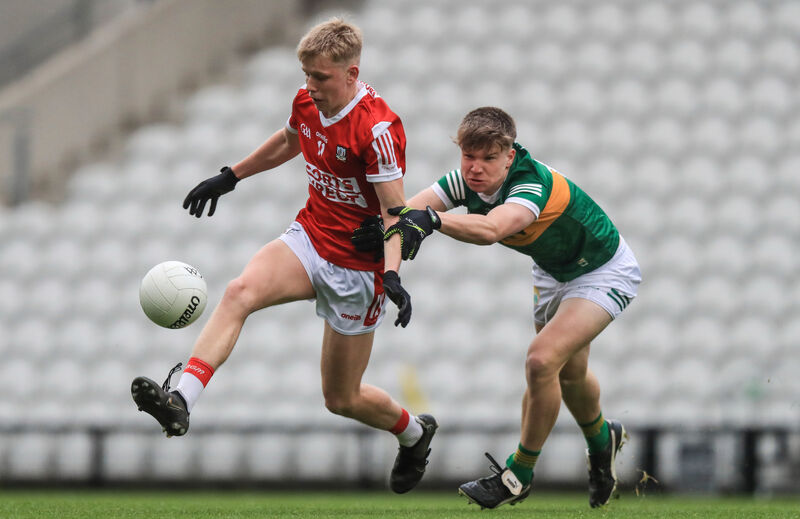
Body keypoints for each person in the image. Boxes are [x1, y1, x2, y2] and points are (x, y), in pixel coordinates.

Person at [131, 18, 437, 494]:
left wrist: (392, 274)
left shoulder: (376, 129)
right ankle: (181, 401)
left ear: (351, 73)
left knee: (341, 398)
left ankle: (415, 434)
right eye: (306, 75)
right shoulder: (305, 102)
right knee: (239, 292)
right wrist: (231, 175)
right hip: (310, 238)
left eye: (320, 77)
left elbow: (395, 212)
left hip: (357, 271)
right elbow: (290, 140)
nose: (309, 86)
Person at [353, 106, 641, 508]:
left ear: (509, 154)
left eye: (489, 158)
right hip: (552, 272)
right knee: (571, 375)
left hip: (603, 270)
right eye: (469, 156)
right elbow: (400, 216)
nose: (476, 168)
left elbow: (490, 230)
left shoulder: (530, 184)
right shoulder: (464, 180)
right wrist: (392, 273)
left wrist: (432, 222)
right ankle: (602, 440)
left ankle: (517, 474)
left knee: (541, 362)